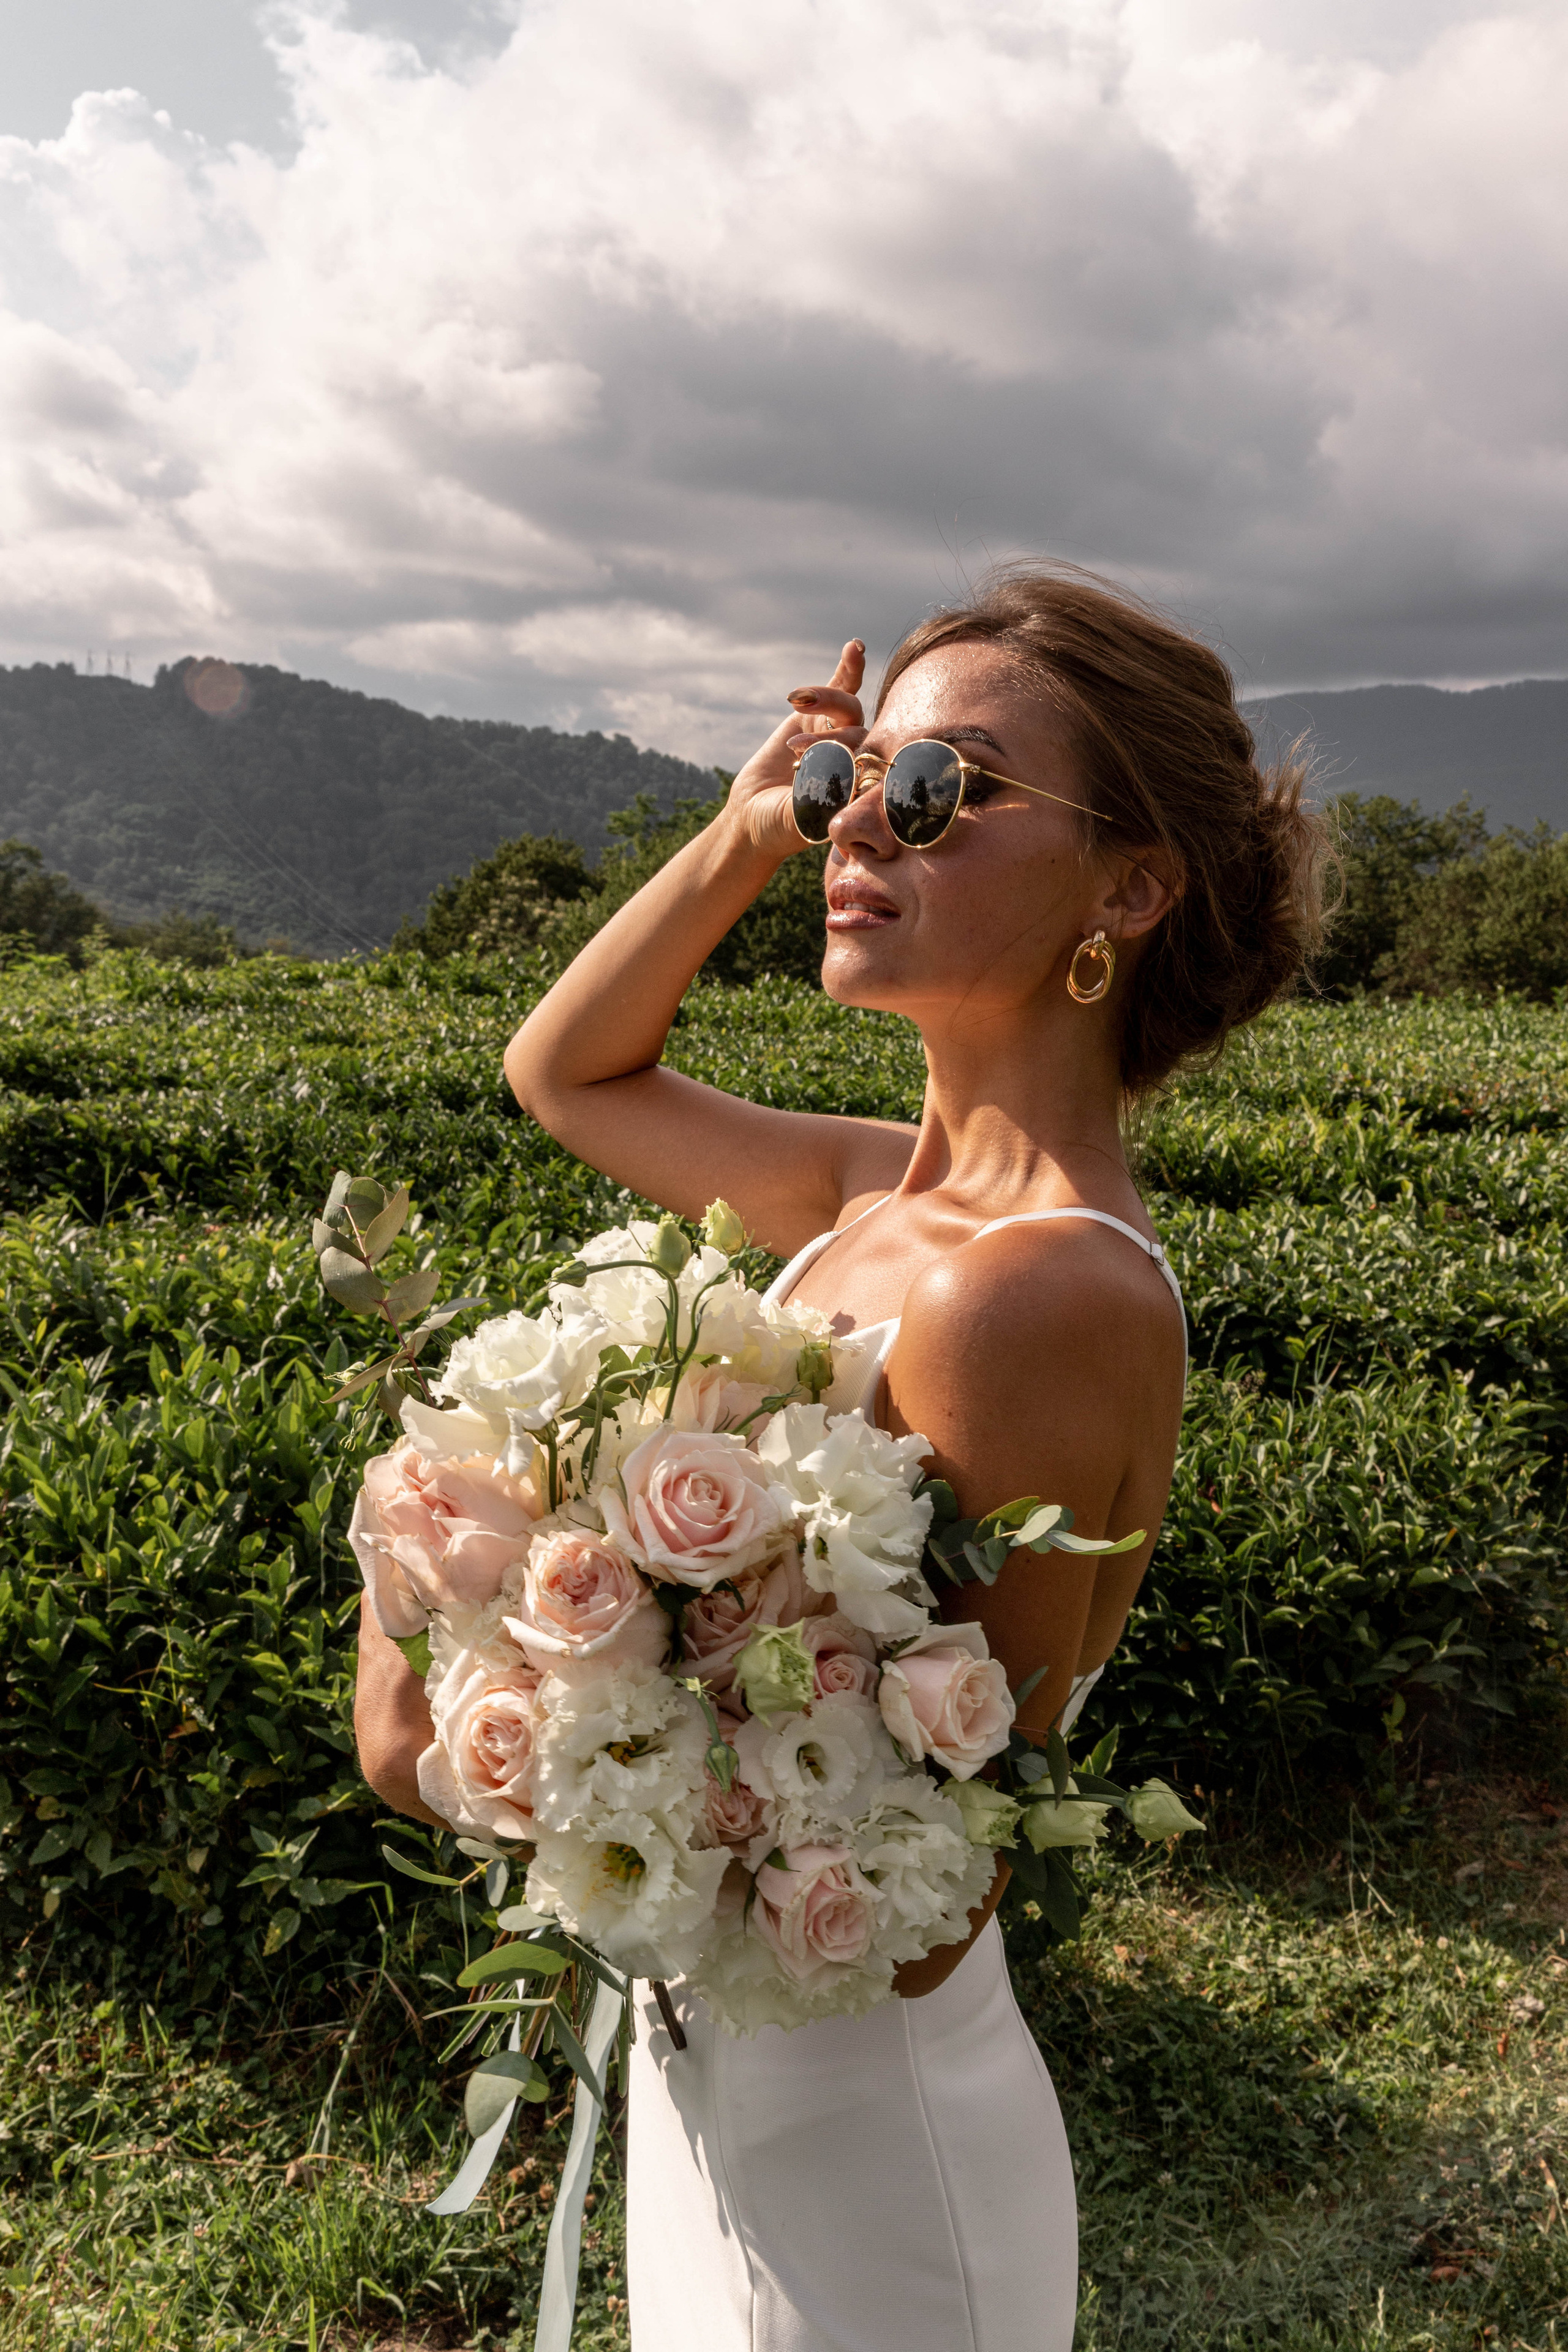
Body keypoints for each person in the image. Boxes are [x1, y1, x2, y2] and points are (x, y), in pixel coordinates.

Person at [355, 563, 1329, 2350]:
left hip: (866, 2135)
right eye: (846, 784)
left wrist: (457, 1671)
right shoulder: (882, 1188)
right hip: (734, 2056)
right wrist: (741, 834)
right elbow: (564, 1069)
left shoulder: (1027, 1297)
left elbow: (935, 1874)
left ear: (1128, 885)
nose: (860, 825)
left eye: (940, 791)